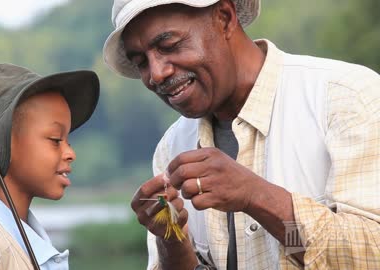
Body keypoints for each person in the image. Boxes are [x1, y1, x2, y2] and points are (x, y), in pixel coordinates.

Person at [103, 0, 380, 269]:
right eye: (141, 62)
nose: (157, 74)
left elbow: (371, 257)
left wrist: (256, 197)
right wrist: (172, 241)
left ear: (224, 17)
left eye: (169, 45)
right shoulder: (172, 148)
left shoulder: (346, 100)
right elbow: (298, 246)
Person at [0, 63, 100, 270]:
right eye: (55, 139)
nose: (70, 153)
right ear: (3, 144)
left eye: (68, 141)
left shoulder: (26, 240)